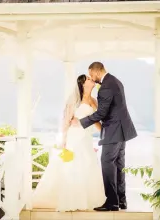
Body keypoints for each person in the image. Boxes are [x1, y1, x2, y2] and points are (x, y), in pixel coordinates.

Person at [32, 74, 105, 211]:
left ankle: (87, 200)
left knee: (88, 164)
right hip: (74, 137)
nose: (92, 80)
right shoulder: (74, 102)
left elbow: (96, 121)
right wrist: (63, 141)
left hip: (87, 138)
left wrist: (105, 133)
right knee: (72, 166)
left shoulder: (94, 101)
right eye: (89, 79)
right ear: (83, 84)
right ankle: (71, 199)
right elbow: (66, 122)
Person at [71, 62, 137, 211]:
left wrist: (81, 122)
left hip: (113, 131)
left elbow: (102, 114)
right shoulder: (116, 81)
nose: (91, 78)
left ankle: (112, 202)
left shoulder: (106, 86)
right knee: (119, 166)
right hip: (121, 131)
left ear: (96, 71)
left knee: (107, 164)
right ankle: (121, 200)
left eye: (91, 75)